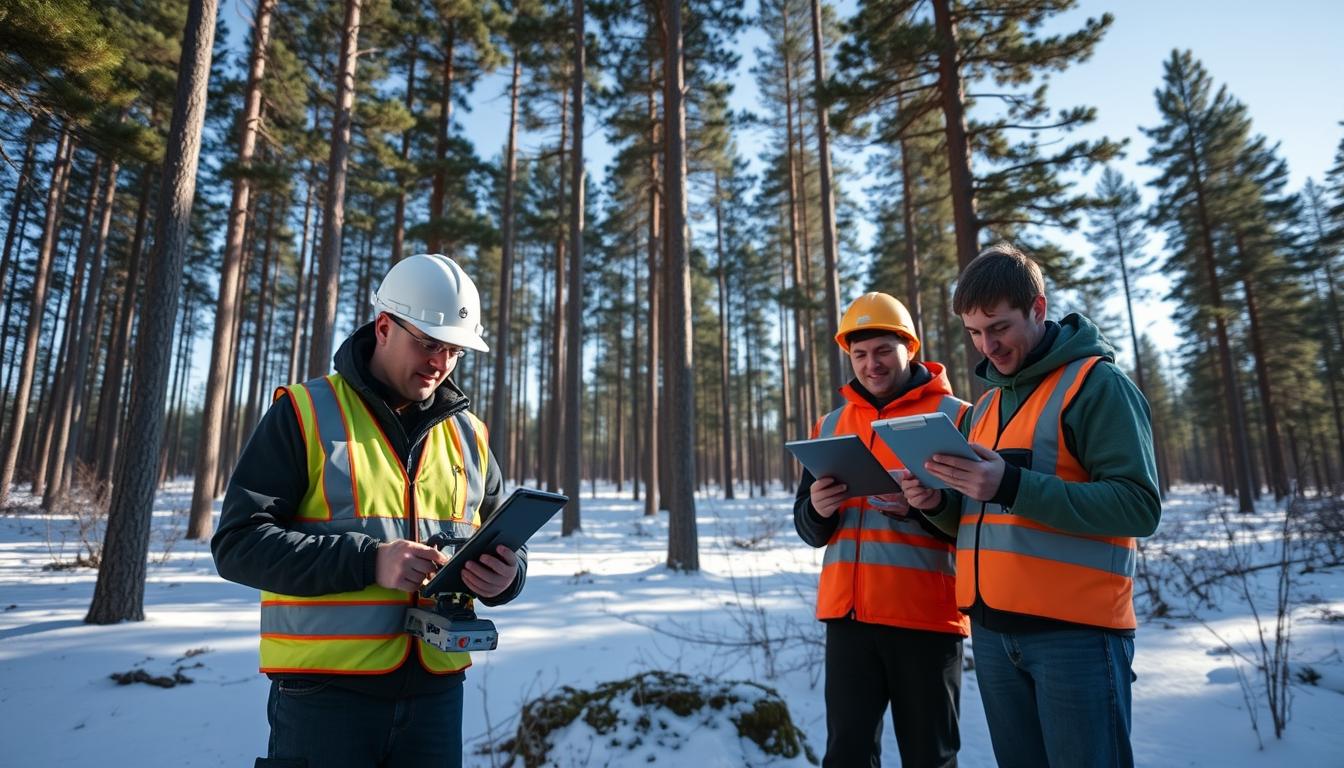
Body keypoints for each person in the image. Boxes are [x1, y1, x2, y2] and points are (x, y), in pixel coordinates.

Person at [212, 253, 522, 768]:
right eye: (427, 343)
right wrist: (369, 562)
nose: (440, 362)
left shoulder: (470, 435)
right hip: (325, 699)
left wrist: (507, 576)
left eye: (454, 351)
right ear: (383, 327)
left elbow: (500, 537)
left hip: (438, 692)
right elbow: (238, 546)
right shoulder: (304, 413)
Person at [898, 243, 1161, 768]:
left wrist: (1011, 485)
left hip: (1077, 638)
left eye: (998, 327)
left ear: (1038, 309)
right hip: (994, 637)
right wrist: (935, 503)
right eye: (974, 332)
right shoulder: (987, 405)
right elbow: (980, 519)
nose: (986, 346)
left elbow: (1138, 507)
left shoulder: (1097, 385)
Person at [794, 292, 970, 768]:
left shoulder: (957, 417)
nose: (871, 364)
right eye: (860, 354)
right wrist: (818, 509)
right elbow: (808, 529)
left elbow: (979, 528)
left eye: (883, 351)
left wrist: (924, 508)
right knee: (846, 756)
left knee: (929, 758)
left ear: (909, 348)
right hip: (848, 621)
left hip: (926, 619)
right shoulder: (831, 423)